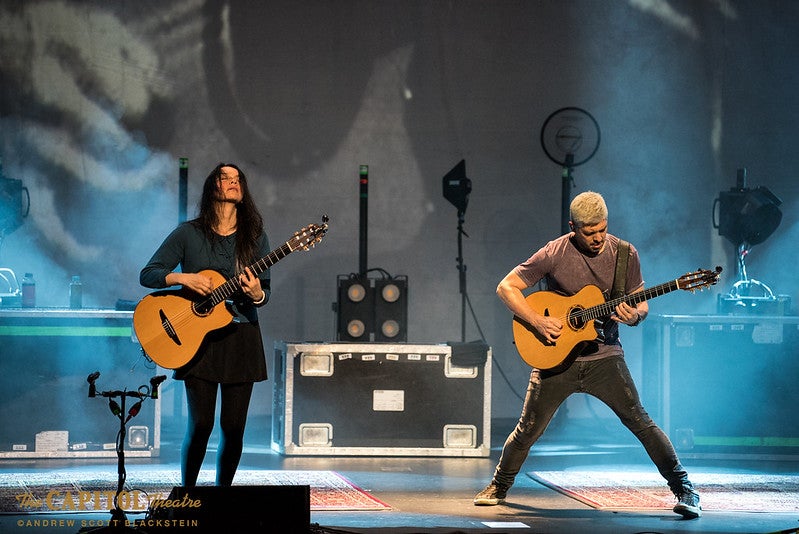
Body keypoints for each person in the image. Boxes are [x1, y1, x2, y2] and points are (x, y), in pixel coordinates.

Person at [474, 191, 701, 519]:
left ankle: (685, 490)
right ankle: (498, 485)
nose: (597, 238)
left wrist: (633, 315)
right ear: (573, 227)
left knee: (640, 421)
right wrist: (537, 320)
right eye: (589, 232)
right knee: (527, 430)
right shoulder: (555, 251)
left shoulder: (625, 254)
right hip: (556, 358)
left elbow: (641, 304)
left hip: (605, 357)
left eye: (602, 230)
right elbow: (506, 287)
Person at [140, 162, 270, 487]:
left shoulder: (254, 236)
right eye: (225, 178)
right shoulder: (188, 233)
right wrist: (181, 277)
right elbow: (148, 274)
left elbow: (264, 293)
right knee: (201, 425)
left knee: (234, 428)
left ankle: (221, 497)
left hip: (241, 336)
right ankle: (188, 494)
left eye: (238, 178)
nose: (233, 182)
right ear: (212, 186)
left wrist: (256, 294)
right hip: (197, 341)